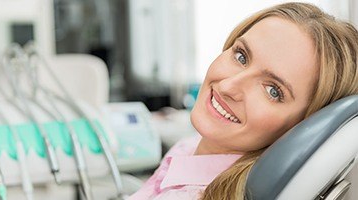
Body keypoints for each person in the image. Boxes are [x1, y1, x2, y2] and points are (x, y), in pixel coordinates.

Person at [129, 2, 358, 200]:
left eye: (273, 91)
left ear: (302, 128)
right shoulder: (189, 148)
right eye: (241, 56)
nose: (228, 86)